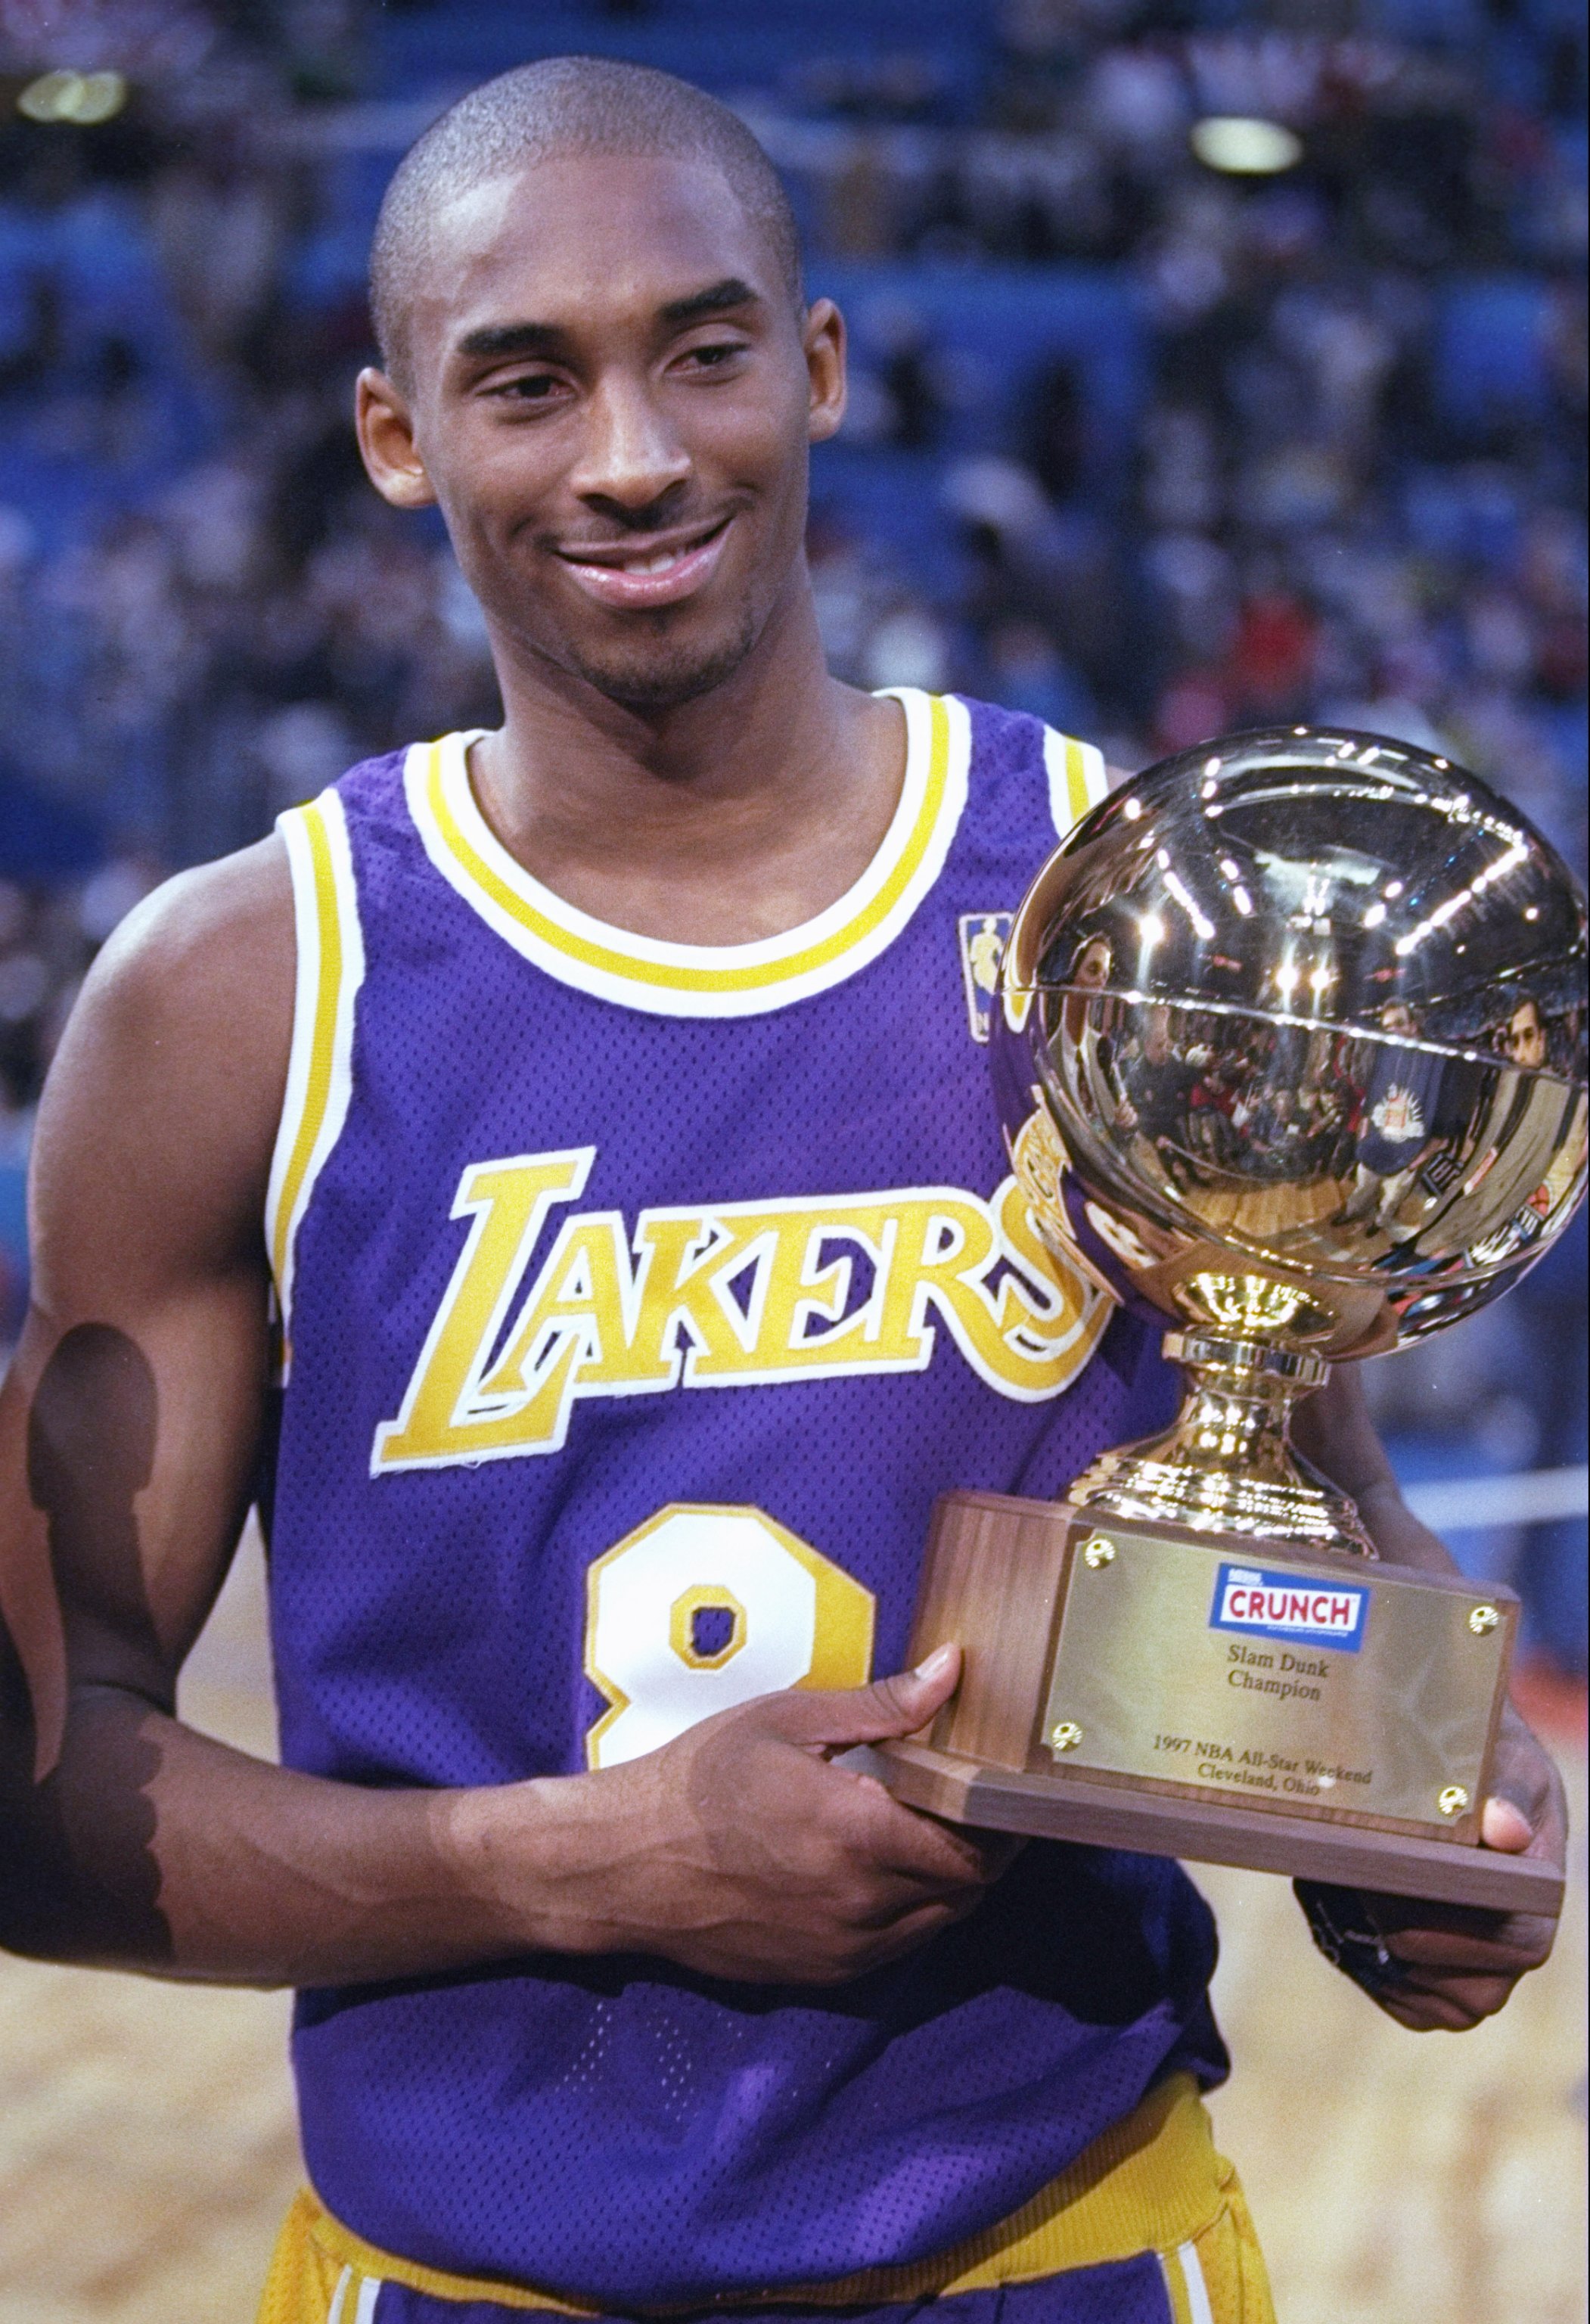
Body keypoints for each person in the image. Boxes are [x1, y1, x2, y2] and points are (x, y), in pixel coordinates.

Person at [0, 59, 1565, 2324]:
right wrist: (589, 1868)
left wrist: (1431, 1819)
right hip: (459, 2276)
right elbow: (44, 1805)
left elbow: (1323, 1501)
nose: (633, 455)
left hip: (1068, 2250)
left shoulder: (1113, 896)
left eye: (703, 350)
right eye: (525, 383)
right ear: (395, 438)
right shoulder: (244, 994)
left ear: (819, 370)